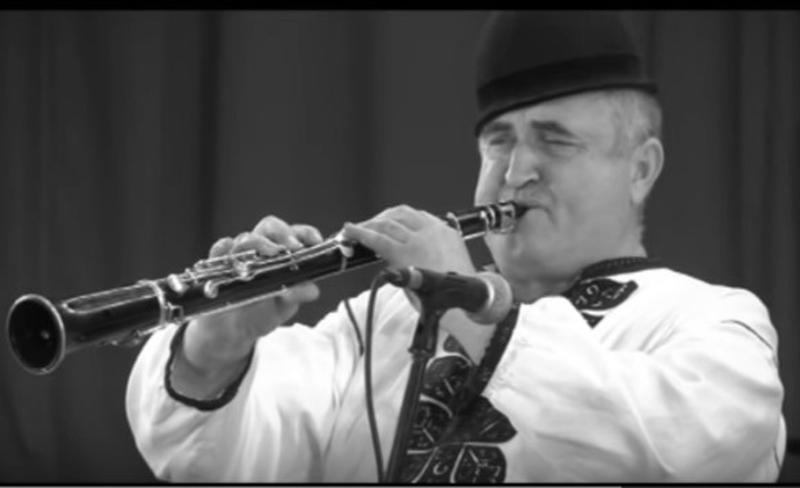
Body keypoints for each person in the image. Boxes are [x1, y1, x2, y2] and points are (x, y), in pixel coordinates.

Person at [125, 11, 785, 482]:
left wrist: (470, 306)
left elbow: (689, 448)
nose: (515, 171)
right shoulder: (382, 317)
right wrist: (216, 347)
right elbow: (224, 460)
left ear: (640, 169)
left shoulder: (713, 320)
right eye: (499, 142)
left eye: (555, 140)